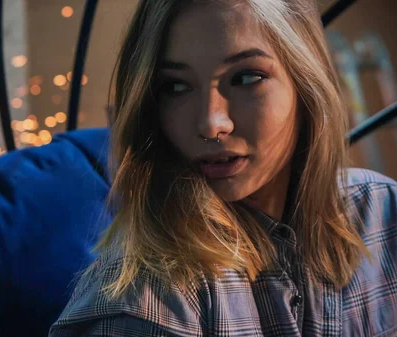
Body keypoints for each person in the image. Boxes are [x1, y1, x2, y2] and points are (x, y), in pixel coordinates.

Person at [49, 0, 397, 336]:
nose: (211, 124)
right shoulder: (149, 300)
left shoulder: (384, 211)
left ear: (305, 82)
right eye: (175, 86)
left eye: (246, 78)